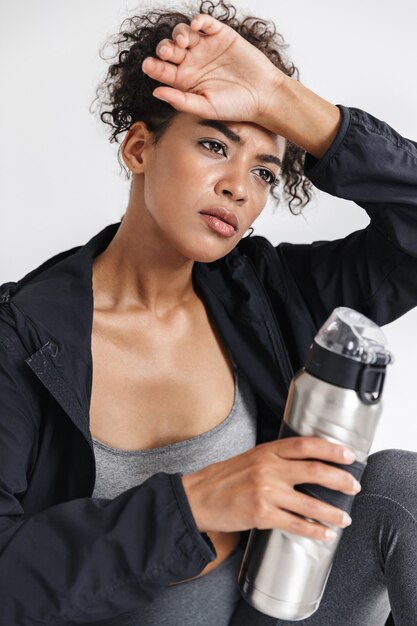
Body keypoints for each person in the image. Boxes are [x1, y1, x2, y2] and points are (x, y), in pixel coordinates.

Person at [0, 1, 416, 624]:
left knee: (399, 485)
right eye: (215, 144)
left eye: (266, 171)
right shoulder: (22, 343)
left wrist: (289, 102)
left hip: (272, 608)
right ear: (139, 147)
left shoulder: (270, 295)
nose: (239, 187)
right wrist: (192, 506)